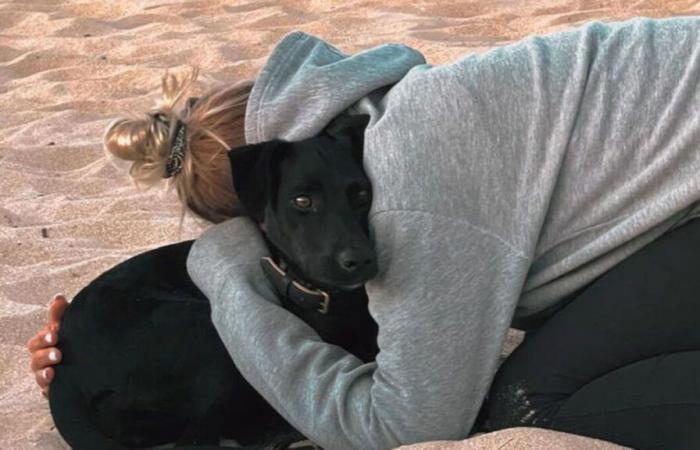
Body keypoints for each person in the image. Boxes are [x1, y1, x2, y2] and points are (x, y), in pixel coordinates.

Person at [28, 16, 700, 450]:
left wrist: (226, 277)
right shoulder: (397, 110)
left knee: (526, 410)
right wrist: (89, 353)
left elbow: (407, 425)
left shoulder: (412, 184)